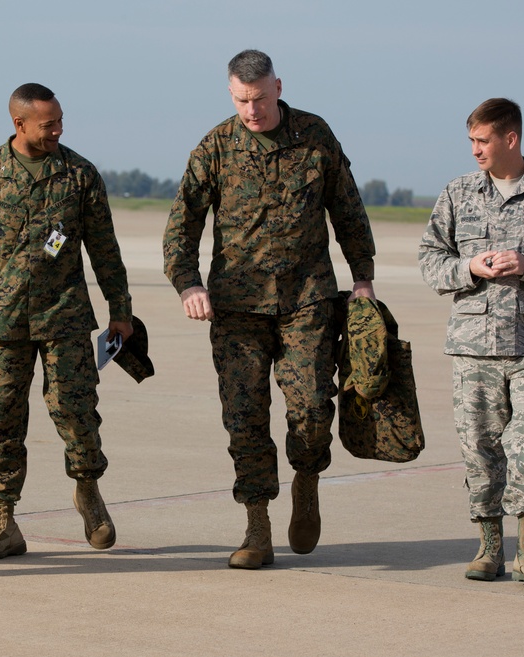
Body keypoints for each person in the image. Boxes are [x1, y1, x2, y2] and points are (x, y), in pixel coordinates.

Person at [163, 50, 377, 569]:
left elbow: (347, 207)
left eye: (259, 98)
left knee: (310, 411)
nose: (251, 110)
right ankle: (257, 527)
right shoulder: (216, 145)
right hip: (236, 308)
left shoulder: (315, 135)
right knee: (244, 417)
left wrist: (363, 277)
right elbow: (182, 225)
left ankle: (306, 478)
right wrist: (188, 284)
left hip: (307, 300)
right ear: (230, 93)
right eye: (241, 100)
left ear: (278, 87)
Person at [0, 83, 133, 559]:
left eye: (61, 121)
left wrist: (120, 310)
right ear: (19, 125)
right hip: (3, 322)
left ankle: (88, 493)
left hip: (65, 318)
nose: (58, 130)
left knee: (77, 413)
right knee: (1, 418)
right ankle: (4, 522)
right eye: (49, 124)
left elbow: (105, 248)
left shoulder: (79, 175)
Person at [418, 98, 524, 586]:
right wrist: (468, 268)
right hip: (473, 347)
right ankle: (489, 547)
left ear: (510, 139)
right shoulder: (457, 194)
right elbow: (430, 260)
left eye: (482, 140)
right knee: (480, 446)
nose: (475, 150)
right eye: (471, 140)